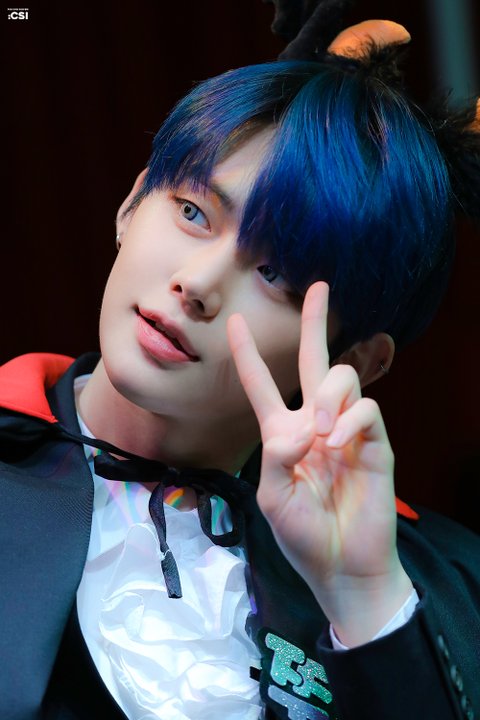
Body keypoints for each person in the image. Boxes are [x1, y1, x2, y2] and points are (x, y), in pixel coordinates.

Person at [0, 14, 479, 720]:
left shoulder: (440, 585)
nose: (197, 283)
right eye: (193, 212)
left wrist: (363, 599)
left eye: (275, 272)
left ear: (355, 358)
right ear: (132, 204)